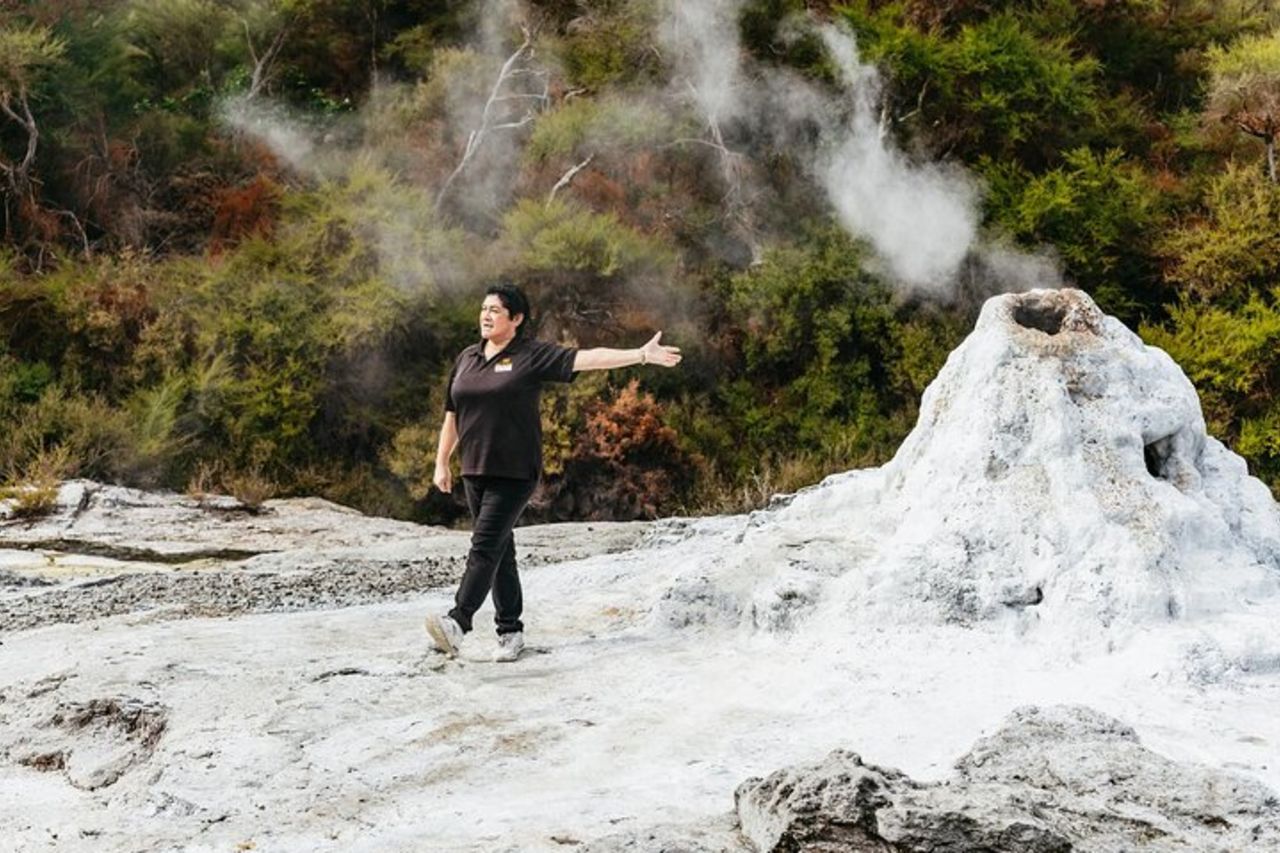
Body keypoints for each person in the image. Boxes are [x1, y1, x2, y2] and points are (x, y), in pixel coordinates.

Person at [426, 282, 682, 662]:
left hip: (514, 472)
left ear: (516, 319)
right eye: (483, 309)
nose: (485, 315)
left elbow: (587, 358)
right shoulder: (467, 358)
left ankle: (458, 622)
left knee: (483, 547)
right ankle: (510, 632)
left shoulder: (530, 355)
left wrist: (641, 355)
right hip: (474, 470)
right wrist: (441, 460)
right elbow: (453, 413)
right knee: (499, 551)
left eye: (495, 310)